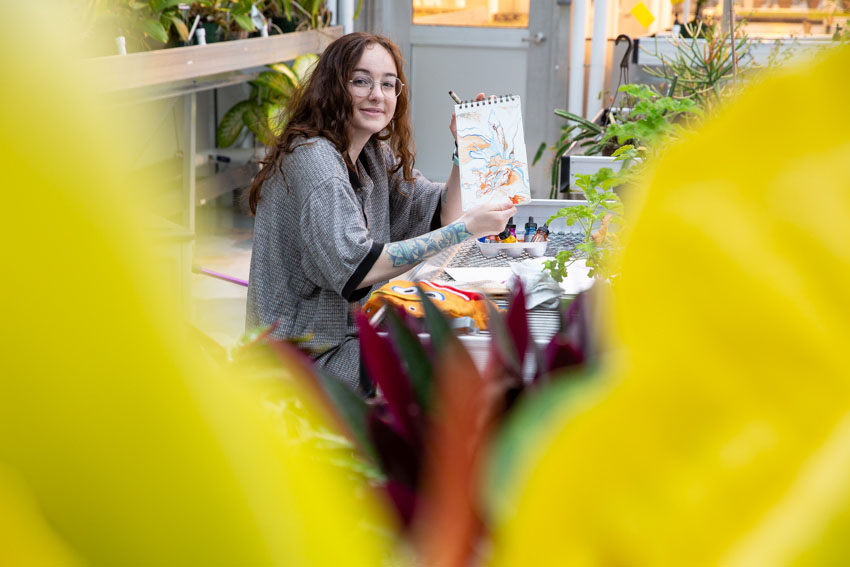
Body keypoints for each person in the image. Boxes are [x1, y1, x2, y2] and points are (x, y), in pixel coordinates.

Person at [246, 32, 516, 393]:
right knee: (454, 374)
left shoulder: (371, 153)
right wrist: (466, 229)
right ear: (333, 87)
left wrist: (464, 149)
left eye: (388, 85)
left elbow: (441, 213)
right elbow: (360, 268)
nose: (377, 94)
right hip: (304, 360)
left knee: (463, 354)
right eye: (361, 81)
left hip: (348, 339)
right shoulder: (314, 161)